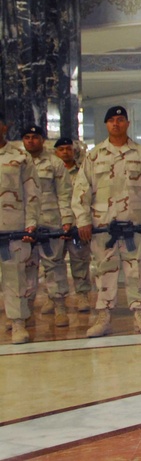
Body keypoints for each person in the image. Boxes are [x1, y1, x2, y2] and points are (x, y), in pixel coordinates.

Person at [72, 106, 141, 337]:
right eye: (111, 120)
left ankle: (140, 314)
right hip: (103, 226)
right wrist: (82, 220)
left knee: (137, 271)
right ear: (106, 125)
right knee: (104, 271)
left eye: (120, 120)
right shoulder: (94, 155)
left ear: (127, 123)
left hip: (135, 225)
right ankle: (103, 316)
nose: (116, 124)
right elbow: (82, 189)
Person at [23, 126, 74, 327]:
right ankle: (24, 309)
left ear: (42, 140)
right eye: (27, 138)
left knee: (54, 266)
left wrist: (67, 219)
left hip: (50, 222)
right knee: (26, 267)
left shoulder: (54, 163)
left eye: (35, 137)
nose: (31, 141)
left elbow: (64, 194)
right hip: (24, 224)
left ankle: (59, 305)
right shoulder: (17, 161)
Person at [0, 114, 41, 344]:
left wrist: (31, 224)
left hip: (12, 228)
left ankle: (17, 322)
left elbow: (32, 194)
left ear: (5, 127)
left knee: (15, 276)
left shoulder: (19, 157)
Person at [54, 137, 92, 311]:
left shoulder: (82, 171)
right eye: (61, 149)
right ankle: (54, 297)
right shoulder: (50, 171)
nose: (65, 152)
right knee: (54, 263)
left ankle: (82, 295)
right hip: (55, 224)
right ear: (56, 152)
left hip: (78, 224)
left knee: (80, 260)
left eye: (68, 149)